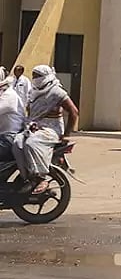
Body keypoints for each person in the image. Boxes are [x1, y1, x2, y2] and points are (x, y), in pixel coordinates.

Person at [20, 65, 78, 195]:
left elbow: (74, 112)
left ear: (46, 76)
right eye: (34, 76)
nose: (35, 79)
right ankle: (26, 176)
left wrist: (66, 135)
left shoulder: (56, 92)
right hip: (34, 127)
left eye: (38, 76)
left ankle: (41, 177)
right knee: (16, 143)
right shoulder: (33, 91)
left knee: (31, 143)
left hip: (51, 129)